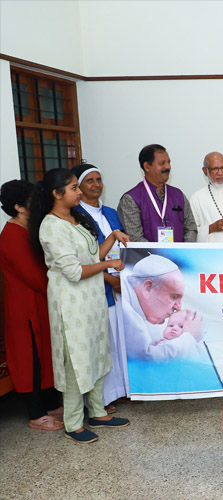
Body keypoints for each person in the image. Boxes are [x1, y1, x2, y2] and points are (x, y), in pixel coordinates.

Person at [29, 168, 131, 444]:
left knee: (97, 354)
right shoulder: (51, 226)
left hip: (93, 301)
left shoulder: (76, 218)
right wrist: (109, 264)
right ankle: (73, 423)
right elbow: (74, 271)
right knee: (76, 362)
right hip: (71, 304)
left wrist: (113, 237)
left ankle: (98, 413)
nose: (79, 191)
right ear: (56, 193)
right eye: (74, 187)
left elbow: (92, 256)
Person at [0, 180, 63, 431]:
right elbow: (34, 275)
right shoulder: (12, 235)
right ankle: (36, 414)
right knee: (32, 359)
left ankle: (51, 405)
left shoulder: (29, 230)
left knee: (45, 353)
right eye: (32, 200)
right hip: (25, 306)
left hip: (40, 301)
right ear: (18, 207)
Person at [73, 164, 129, 413]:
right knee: (102, 342)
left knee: (118, 340)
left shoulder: (110, 212)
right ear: (79, 188)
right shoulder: (75, 215)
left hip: (119, 281)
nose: (96, 185)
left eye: (99, 179)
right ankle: (102, 399)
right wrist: (109, 279)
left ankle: (121, 391)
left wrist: (123, 278)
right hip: (99, 284)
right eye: (89, 181)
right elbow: (84, 258)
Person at [121, 254, 205, 362]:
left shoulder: (125, 285)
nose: (178, 307)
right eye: (174, 297)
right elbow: (144, 360)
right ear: (148, 288)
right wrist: (190, 336)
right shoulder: (125, 308)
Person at [118, 144, 198, 243]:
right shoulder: (131, 199)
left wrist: (184, 249)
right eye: (162, 163)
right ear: (147, 167)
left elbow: (191, 228)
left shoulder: (178, 195)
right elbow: (135, 238)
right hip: (148, 253)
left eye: (169, 162)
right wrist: (160, 253)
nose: (168, 167)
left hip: (180, 253)